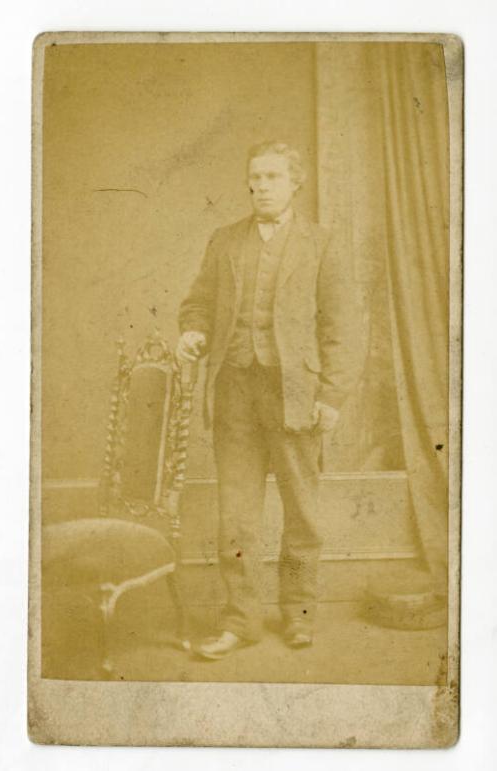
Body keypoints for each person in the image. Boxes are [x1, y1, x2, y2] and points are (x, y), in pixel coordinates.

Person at [176, 141, 361, 660]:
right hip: (234, 391)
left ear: (295, 182)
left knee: (302, 514)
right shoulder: (225, 240)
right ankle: (241, 621)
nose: (260, 187)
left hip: (296, 397)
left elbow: (341, 327)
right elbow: (197, 304)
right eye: (254, 178)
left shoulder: (322, 245)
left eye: (272, 177)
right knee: (236, 517)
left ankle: (298, 616)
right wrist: (192, 332)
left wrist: (332, 396)